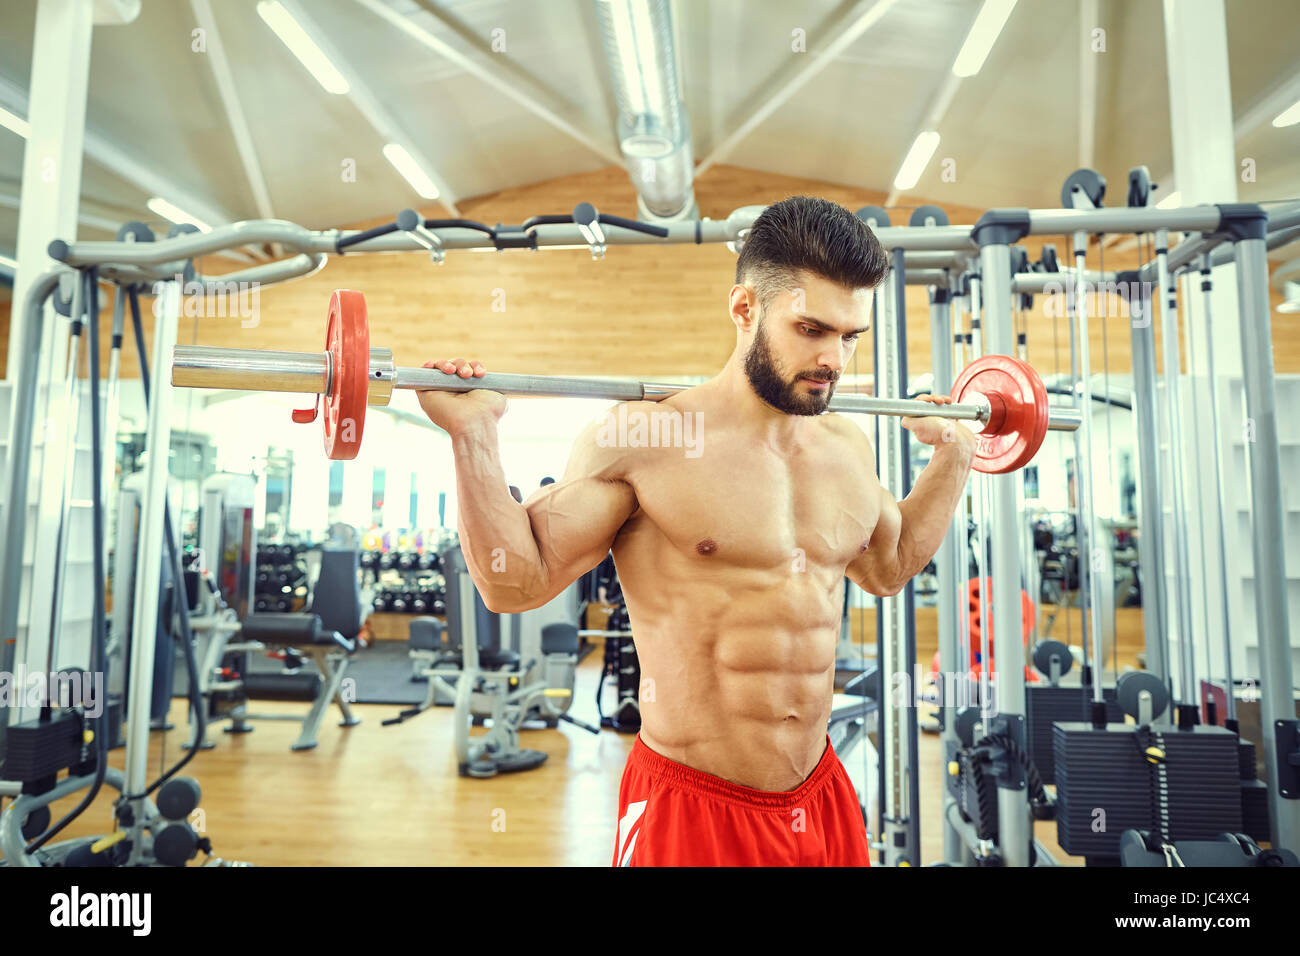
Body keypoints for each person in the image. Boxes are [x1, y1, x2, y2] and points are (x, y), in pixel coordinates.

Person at [415, 196, 975, 866]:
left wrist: (956, 454)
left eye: (850, 336)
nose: (835, 359)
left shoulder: (847, 447)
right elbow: (515, 583)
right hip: (692, 806)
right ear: (745, 309)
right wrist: (473, 437)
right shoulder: (646, 439)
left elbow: (888, 567)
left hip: (819, 795)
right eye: (812, 329)